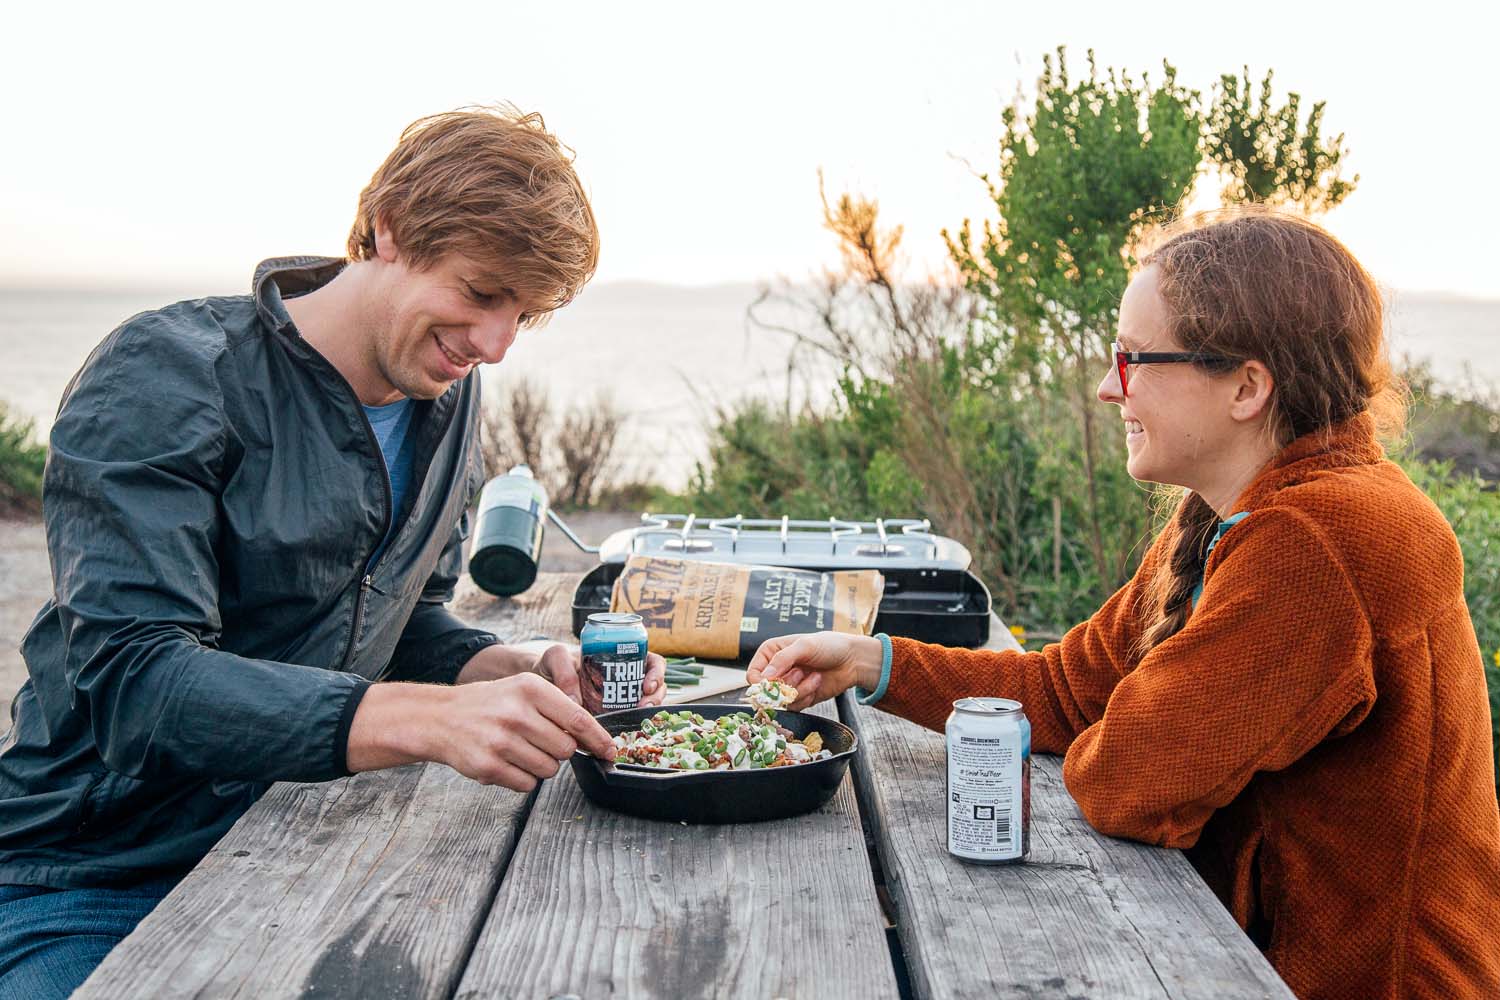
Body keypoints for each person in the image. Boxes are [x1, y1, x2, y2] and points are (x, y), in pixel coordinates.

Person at [747, 210, 1500, 1000]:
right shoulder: (1230, 510)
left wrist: (1130, 728)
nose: (1110, 388)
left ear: (1247, 386)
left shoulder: (1321, 541)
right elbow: (1070, 692)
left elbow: (1128, 781)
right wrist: (875, 663)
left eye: (1135, 359)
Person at [0, 106, 663, 997]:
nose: (496, 345)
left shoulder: (445, 392)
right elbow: (136, 682)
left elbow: (397, 617)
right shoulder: (166, 374)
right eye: (479, 292)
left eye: (524, 314)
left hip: (282, 844)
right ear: (387, 230)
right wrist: (425, 721)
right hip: (88, 879)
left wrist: (510, 668)